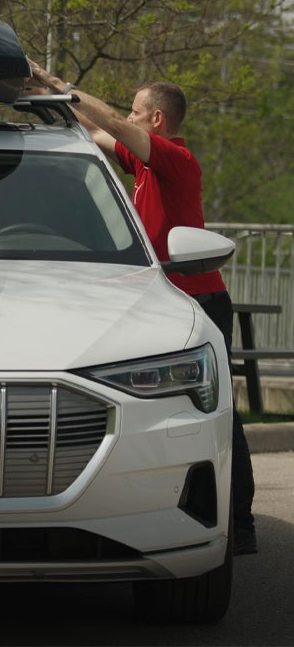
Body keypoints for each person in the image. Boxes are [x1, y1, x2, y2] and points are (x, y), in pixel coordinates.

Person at [26, 59, 257, 556]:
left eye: (136, 111)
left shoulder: (177, 159)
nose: (127, 117)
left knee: (221, 411)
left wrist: (55, 83)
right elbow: (94, 131)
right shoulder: (145, 164)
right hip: (166, 296)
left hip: (201, 299)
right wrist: (44, 100)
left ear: (155, 121)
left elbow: (108, 122)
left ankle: (240, 522)